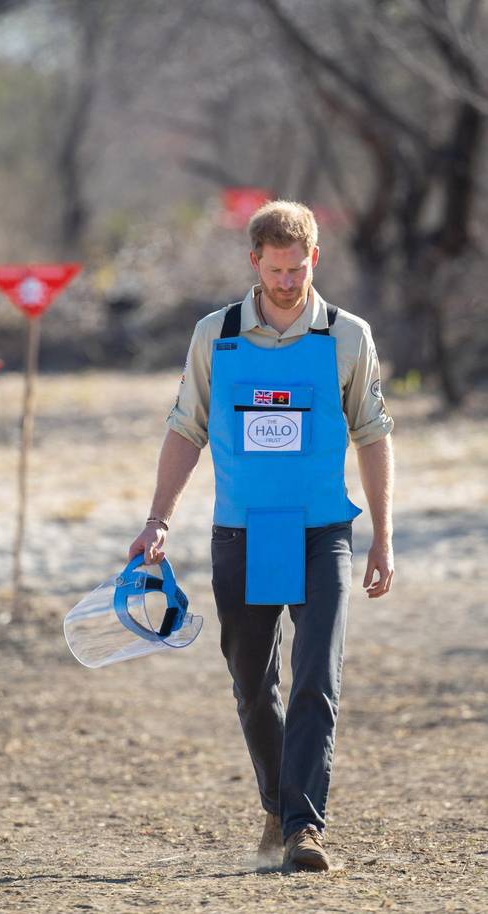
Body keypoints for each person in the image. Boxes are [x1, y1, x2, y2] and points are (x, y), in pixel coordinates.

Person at [128, 200, 394, 872]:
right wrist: (158, 519)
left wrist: (383, 536)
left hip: (321, 533)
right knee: (253, 686)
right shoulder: (214, 336)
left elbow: (373, 434)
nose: (285, 281)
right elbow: (185, 428)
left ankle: (304, 827)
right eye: (274, 269)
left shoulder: (346, 335)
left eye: (296, 268)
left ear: (314, 259)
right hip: (242, 534)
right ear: (254, 262)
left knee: (316, 679)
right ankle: (278, 800)